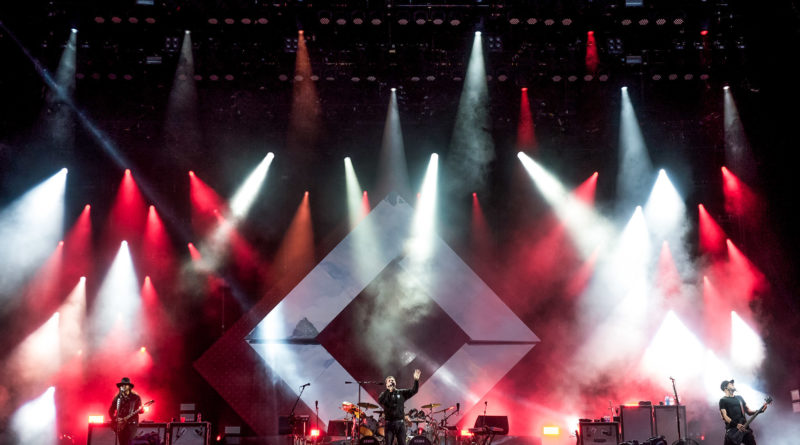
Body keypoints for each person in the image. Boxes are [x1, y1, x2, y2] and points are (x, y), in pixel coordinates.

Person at [379, 369, 421, 445]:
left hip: (400, 423)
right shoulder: (384, 394)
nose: (391, 381)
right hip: (389, 424)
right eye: (389, 381)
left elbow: (414, 391)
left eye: (393, 380)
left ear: (395, 382)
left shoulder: (401, 392)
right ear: (386, 384)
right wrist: (388, 391)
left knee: (402, 443)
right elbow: (381, 401)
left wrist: (416, 380)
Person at [719, 379, 765, 445]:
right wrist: (736, 425)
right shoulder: (723, 400)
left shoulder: (739, 398)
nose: (733, 384)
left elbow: (748, 411)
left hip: (745, 428)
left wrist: (759, 411)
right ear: (725, 388)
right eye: (730, 384)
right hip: (732, 431)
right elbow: (724, 417)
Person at [108, 377, 143, 445]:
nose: (123, 386)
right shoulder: (117, 398)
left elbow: (140, 411)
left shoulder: (135, 398)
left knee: (129, 442)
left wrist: (141, 410)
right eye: (122, 385)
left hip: (131, 424)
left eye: (125, 385)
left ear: (129, 387)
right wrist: (115, 419)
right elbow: (111, 411)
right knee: (122, 442)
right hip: (120, 425)